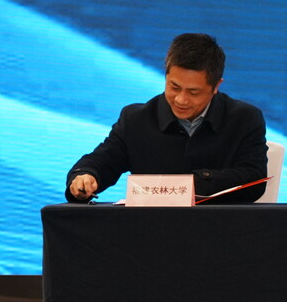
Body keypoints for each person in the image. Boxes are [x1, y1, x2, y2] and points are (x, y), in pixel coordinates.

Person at [66, 33, 268, 203]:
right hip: (151, 229)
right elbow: (102, 161)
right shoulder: (136, 119)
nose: (181, 100)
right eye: (174, 87)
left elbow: (253, 180)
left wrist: (191, 183)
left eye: (193, 92)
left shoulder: (244, 119)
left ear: (216, 86)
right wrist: (85, 176)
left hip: (219, 229)